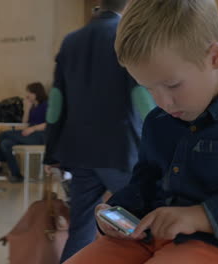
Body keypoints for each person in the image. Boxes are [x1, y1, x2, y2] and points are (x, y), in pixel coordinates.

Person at [64, 0, 218, 264]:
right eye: (149, 89)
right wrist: (117, 213)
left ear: (214, 58)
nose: (162, 101)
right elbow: (143, 185)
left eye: (172, 85)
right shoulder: (158, 121)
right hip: (147, 238)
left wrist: (200, 216)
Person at [43, 0, 156, 262]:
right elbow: (141, 95)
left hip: (79, 152)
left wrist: (51, 149)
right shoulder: (126, 37)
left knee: (81, 227)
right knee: (142, 221)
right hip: (121, 150)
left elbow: (56, 101)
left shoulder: (71, 41)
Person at [0, 82, 48, 183]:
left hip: (40, 135)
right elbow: (24, 122)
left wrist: (33, 128)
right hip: (30, 133)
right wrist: (26, 109)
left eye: (30, 93)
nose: (27, 96)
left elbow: (49, 124)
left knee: (4, 134)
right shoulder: (33, 107)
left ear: (36, 93)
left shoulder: (46, 105)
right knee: (5, 143)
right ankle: (16, 174)